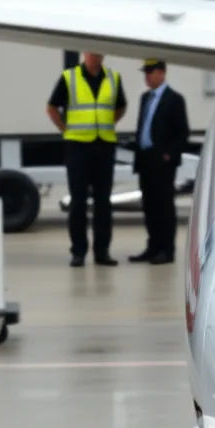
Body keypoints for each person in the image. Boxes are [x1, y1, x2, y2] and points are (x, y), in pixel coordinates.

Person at [46, 52, 126, 267]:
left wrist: (107, 124)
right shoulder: (69, 77)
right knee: (78, 201)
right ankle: (78, 252)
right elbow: (52, 107)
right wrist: (65, 129)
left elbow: (121, 107)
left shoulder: (113, 78)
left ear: (103, 55)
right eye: (91, 53)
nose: (94, 56)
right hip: (78, 147)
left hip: (104, 145)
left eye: (98, 53)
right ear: (84, 54)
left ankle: (102, 252)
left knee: (103, 202)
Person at [129, 60, 189, 265]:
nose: (147, 76)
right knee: (149, 205)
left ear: (162, 74)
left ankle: (166, 249)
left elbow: (182, 133)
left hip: (162, 161)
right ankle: (152, 247)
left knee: (164, 206)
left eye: (150, 72)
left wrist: (169, 155)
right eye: (145, 72)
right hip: (146, 159)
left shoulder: (174, 99)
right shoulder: (145, 98)